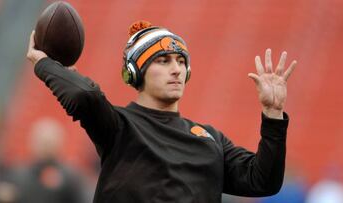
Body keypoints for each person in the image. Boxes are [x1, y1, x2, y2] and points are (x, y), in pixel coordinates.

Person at [26, 20, 297, 203]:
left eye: (181, 61)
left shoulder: (210, 139)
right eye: (163, 61)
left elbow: (263, 181)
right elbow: (85, 95)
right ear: (135, 71)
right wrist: (44, 63)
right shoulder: (119, 126)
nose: (177, 69)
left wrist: (273, 115)